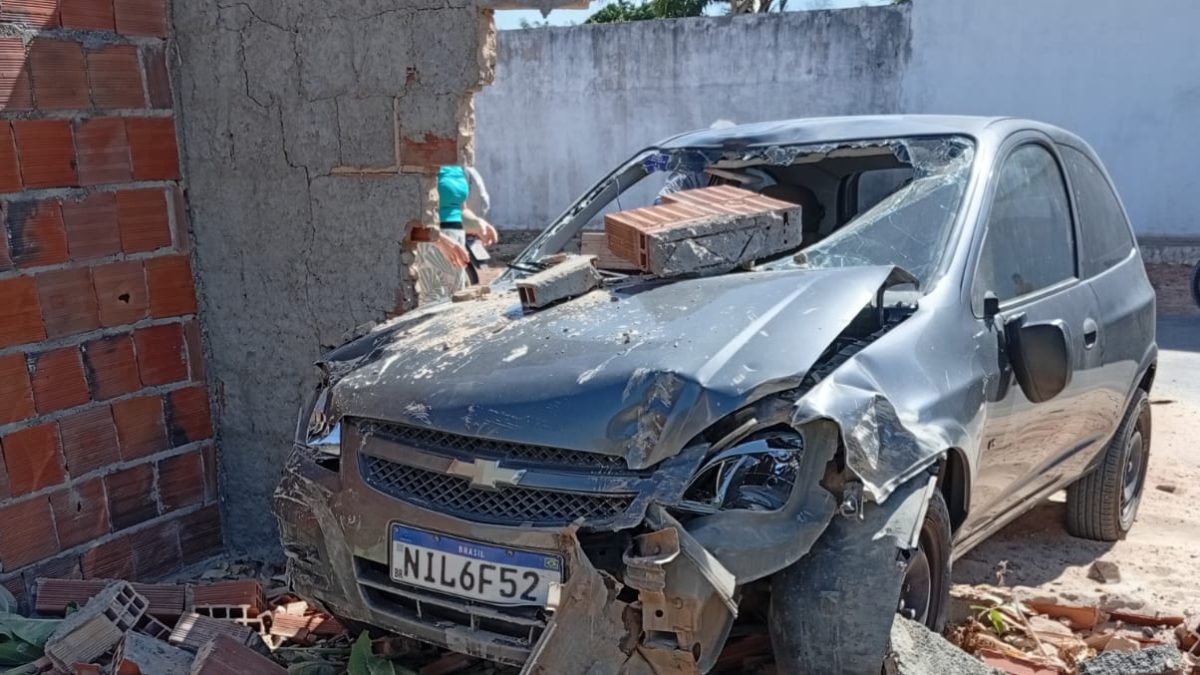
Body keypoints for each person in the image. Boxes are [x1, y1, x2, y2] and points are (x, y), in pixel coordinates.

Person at [415, 166, 499, 301]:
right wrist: (439, 240)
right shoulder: (426, 162)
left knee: (455, 302)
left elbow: (460, 209)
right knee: (434, 304)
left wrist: (477, 223)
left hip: (456, 240)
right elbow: (410, 216)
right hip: (432, 242)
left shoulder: (457, 167)